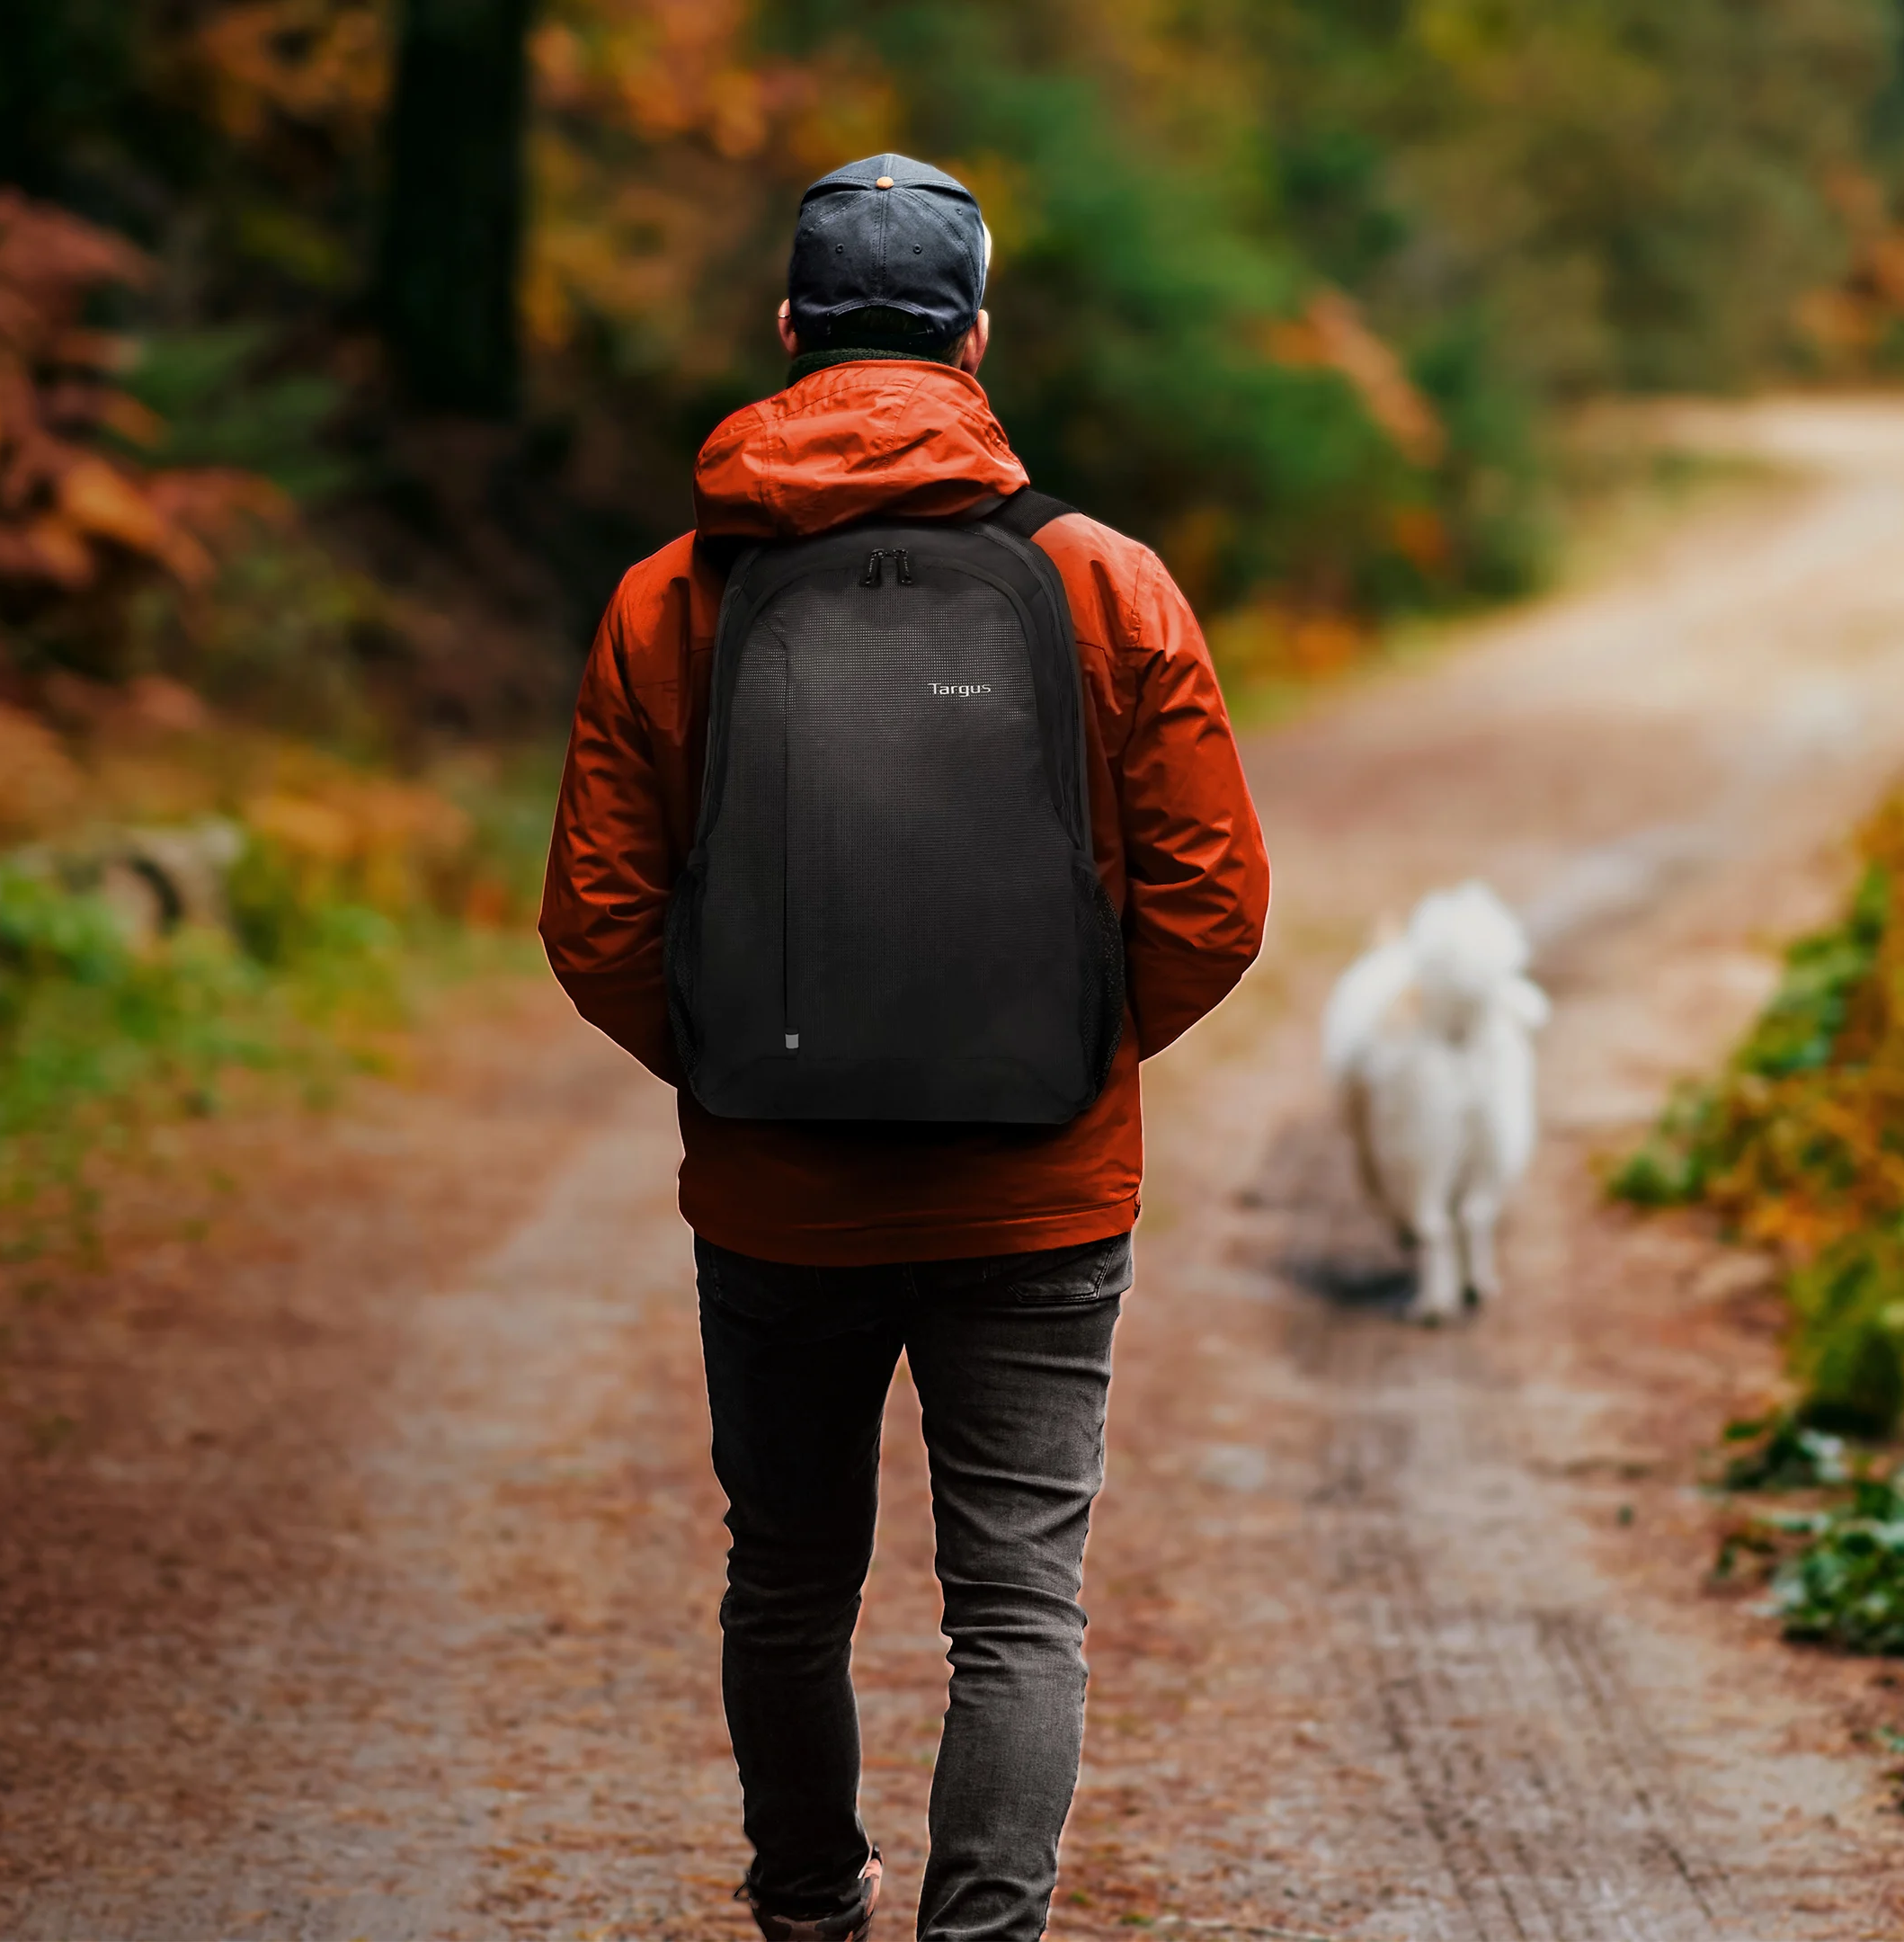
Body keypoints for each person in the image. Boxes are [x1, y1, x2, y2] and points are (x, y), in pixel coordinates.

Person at [538, 153, 1270, 1942]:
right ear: (977, 339)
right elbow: (1216, 901)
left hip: (780, 1198)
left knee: (787, 1581)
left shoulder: (668, 599)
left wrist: (743, 1067)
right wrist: (1067, 1053)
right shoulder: (1106, 586)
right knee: (1018, 1603)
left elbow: (596, 921)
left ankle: (808, 1911)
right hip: (1038, 1191)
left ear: (790, 333)